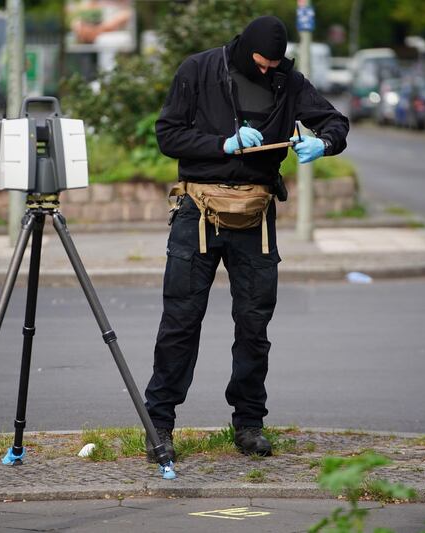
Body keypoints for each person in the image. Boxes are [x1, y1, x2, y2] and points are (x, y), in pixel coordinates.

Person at [143, 16, 349, 461]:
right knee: (181, 322)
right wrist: (224, 144)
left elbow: (335, 121)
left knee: (254, 327)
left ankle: (249, 424)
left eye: (274, 64)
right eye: (260, 61)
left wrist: (325, 144)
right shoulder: (198, 70)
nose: (266, 70)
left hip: (255, 214)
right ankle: (159, 423)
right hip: (197, 212)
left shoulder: (287, 80)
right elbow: (168, 134)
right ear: (244, 50)